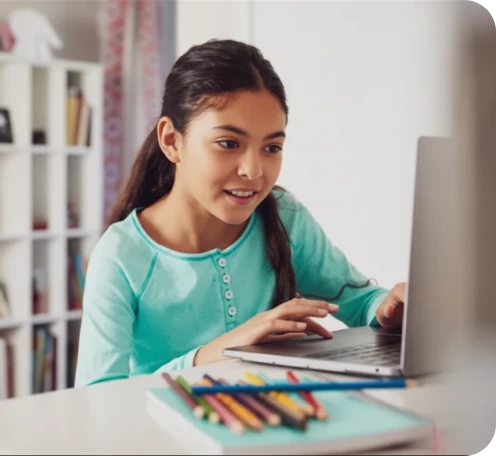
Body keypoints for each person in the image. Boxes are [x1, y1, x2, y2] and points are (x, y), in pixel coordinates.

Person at [73, 39, 406, 388]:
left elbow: (359, 301)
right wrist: (218, 351)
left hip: (274, 425)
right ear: (172, 140)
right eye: (229, 143)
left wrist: (386, 308)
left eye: (272, 147)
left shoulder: (285, 218)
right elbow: (97, 398)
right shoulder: (121, 255)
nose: (254, 170)